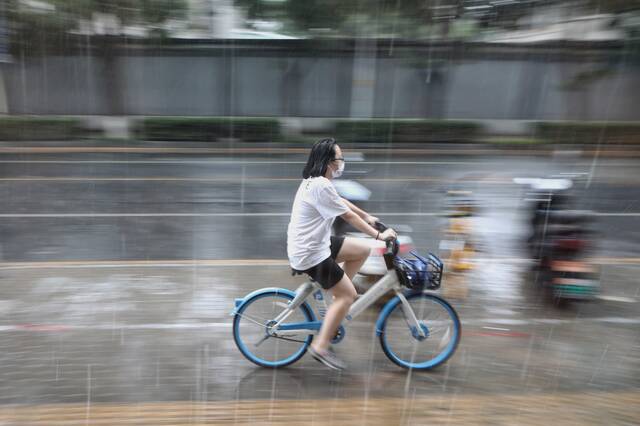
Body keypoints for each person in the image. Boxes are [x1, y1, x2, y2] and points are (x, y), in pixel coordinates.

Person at [287, 138, 397, 370]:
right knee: (349, 294)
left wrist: (368, 216)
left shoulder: (315, 181)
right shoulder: (320, 185)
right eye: (339, 158)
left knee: (362, 250)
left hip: (315, 244)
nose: (342, 162)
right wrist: (379, 236)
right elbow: (348, 217)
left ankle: (338, 299)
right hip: (310, 253)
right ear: (328, 161)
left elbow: (343, 203)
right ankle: (320, 347)